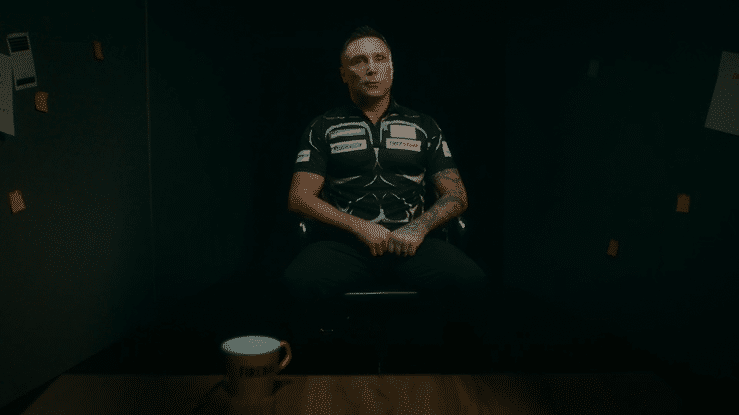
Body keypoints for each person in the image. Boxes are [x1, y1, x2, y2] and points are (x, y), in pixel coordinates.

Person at [281, 26, 491, 347]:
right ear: (343, 74)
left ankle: (447, 366)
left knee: (472, 282)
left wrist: (418, 228)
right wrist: (360, 227)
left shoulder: (424, 126)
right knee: (296, 283)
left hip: (412, 244)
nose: (371, 68)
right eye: (359, 61)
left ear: (392, 67)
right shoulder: (322, 127)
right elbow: (299, 198)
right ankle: (321, 366)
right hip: (345, 246)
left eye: (380, 59)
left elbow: (456, 195)